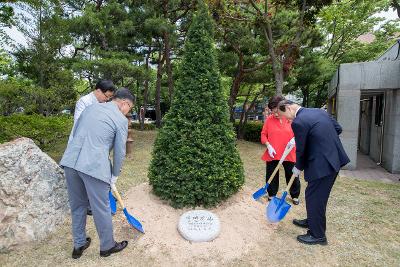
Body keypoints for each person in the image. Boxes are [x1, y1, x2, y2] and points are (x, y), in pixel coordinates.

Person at [60, 88, 134, 258]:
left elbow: (77, 131)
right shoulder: (120, 120)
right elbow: (120, 152)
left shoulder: (90, 108)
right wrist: (114, 175)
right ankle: (107, 246)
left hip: (71, 161)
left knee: (77, 205)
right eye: (129, 108)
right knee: (101, 207)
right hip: (94, 166)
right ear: (124, 104)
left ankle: (79, 245)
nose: (128, 112)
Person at [277, 100, 350, 245]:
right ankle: (312, 221)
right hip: (332, 160)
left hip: (323, 165)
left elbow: (301, 149)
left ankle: (318, 235)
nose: (287, 119)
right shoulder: (318, 111)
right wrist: (322, 141)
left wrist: (298, 167)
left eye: (285, 116)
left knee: (315, 197)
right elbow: (338, 128)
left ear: (289, 108)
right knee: (314, 195)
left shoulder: (298, 122)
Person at [68, 80, 116, 215]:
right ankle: (87, 205)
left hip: (96, 146)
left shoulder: (103, 103)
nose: (107, 100)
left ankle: (95, 201)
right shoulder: (84, 101)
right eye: (106, 96)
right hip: (81, 146)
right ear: (98, 91)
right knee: (85, 175)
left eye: (109, 98)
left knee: (94, 174)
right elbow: (80, 124)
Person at [261, 96, 300, 204]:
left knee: (292, 174)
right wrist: (268, 145)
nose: (275, 114)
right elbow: (263, 135)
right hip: (273, 153)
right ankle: (272, 194)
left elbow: (300, 133)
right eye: (273, 112)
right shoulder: (269, 120)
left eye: (276, 111)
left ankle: (295, 195)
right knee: (272, 174)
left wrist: (295, 139)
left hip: (289, 152)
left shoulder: (291, 119)